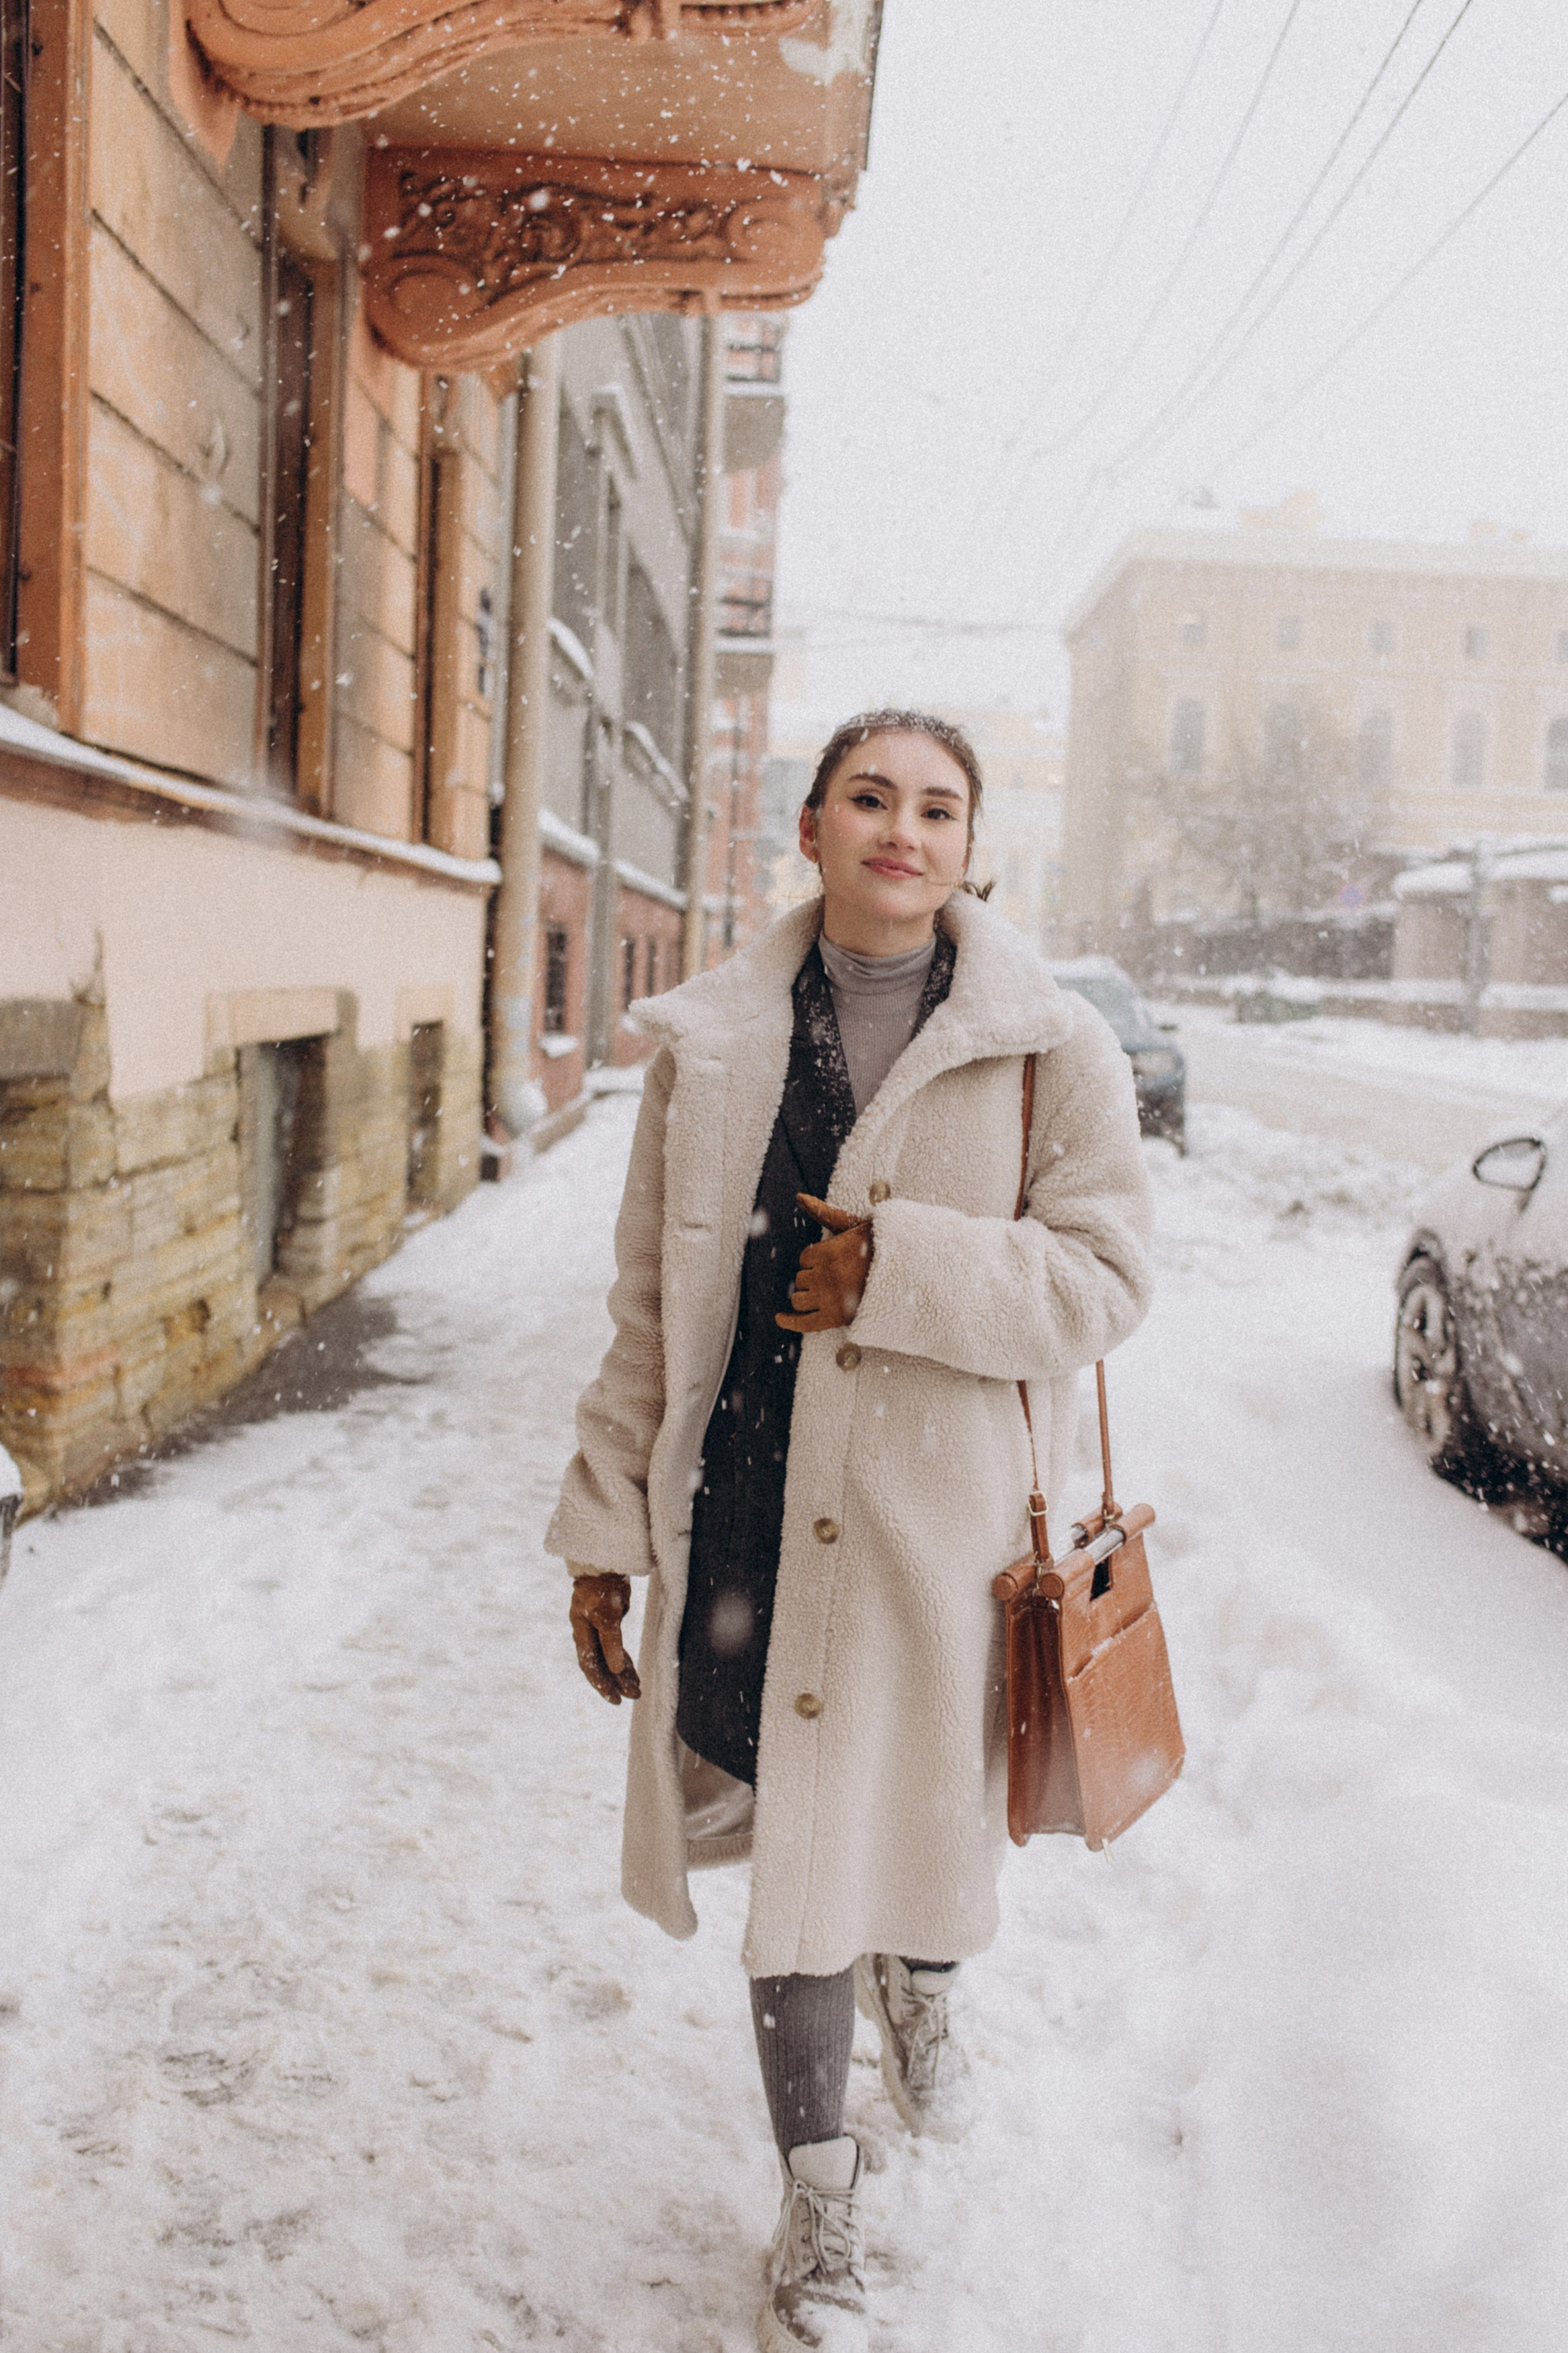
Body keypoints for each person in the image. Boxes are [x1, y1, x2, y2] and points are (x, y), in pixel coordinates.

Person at [548, 710, 1153, 2352]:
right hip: (744, 1507)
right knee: (802, 1862)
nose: (903, 827)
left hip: (931, 1538)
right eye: (870, 796)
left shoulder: (1053, 1048)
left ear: (973, 849)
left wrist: (902, 1271)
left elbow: (1106, 1279)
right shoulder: (715, 1043)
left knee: (913, 1825)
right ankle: (818, 2187)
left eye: (938, 806)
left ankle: (926, 1984)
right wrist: (606, 1527)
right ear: (809, 825)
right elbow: (644, 1311)